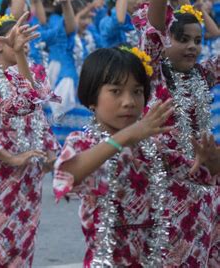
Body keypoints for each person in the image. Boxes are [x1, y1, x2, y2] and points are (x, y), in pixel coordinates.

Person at [53, 47, 218, 266]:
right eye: (116, 91)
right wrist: (124, 137)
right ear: (91, 97)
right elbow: (67, 175)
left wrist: (212, 161)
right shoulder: (84, 142)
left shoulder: (151, 147)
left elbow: (199, 174)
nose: (129, 101)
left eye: (137, 91)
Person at [134, 0, 220, 265]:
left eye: (197, 41)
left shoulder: (202, 74)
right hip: (166, 191)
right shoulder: (153, 73)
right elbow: (155, 28)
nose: (193, 47)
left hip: (206, 189)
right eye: (182, 39)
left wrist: (193, 6)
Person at [0, 12, 60, 265]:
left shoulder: (35, 74)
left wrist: (49, 150)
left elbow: (37, 108)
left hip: (30, 175)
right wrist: (10, 158)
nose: (24, 43)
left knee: (25, 239)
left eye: (27, 39)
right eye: (17, 38)